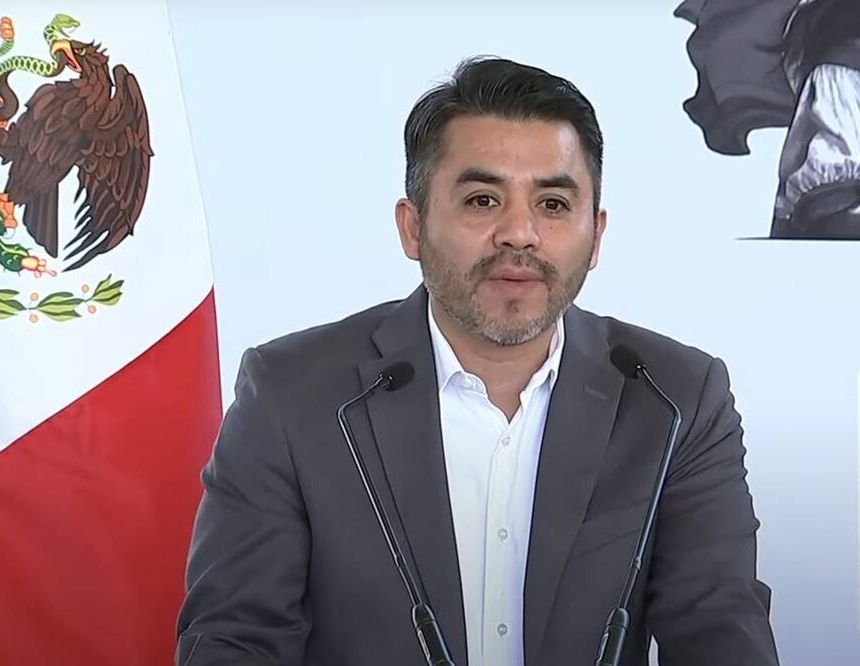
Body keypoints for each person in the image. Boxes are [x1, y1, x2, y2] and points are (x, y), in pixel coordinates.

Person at [175, 56, 779, 666]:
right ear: (413, 228)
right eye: (483, 199)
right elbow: (235, 640)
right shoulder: (292, 396)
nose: (519, 233)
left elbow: (720, 629)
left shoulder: (675, 399)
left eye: (552, 204)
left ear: (595, 236)